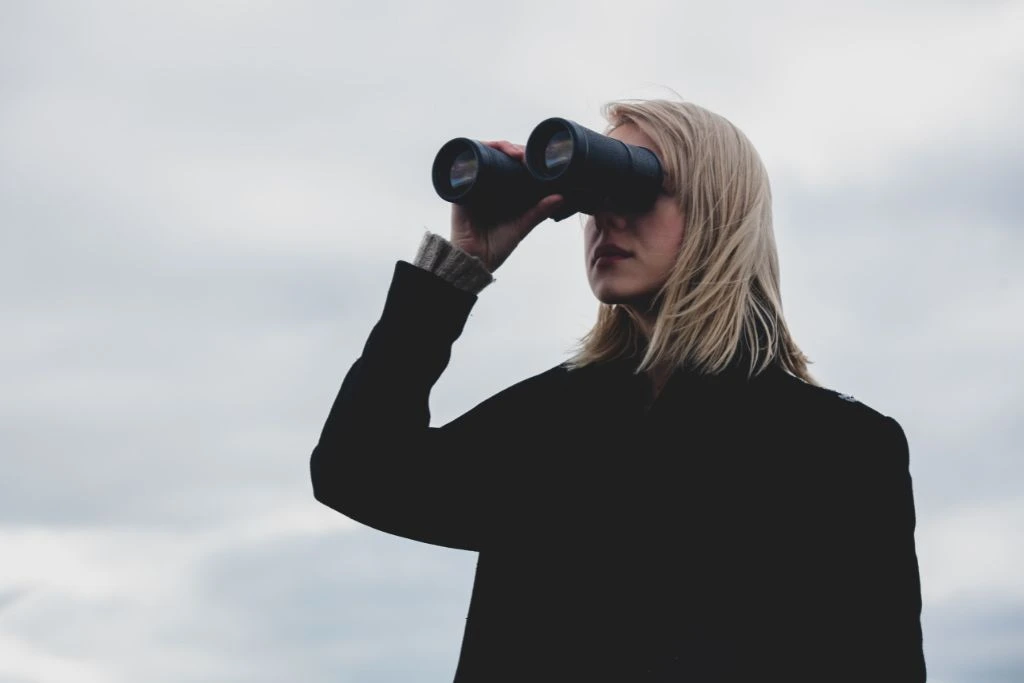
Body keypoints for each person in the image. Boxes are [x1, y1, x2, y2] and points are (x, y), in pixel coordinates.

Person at [309, 99, 926, 682]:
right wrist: (459, 267)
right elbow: (357, 470)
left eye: (639, 188)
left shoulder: (841, 449)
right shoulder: (553, 422)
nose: (610, 216)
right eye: (595, 194)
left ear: (720, 213)